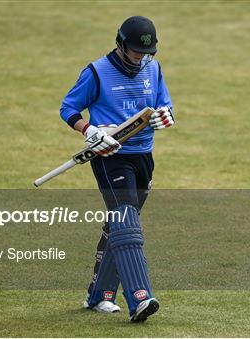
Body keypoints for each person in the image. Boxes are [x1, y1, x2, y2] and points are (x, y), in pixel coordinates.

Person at [59, 16, 174, 322]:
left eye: (146, 52)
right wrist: (89, 131)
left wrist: (166, 116)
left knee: (120, 227)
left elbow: (164, 104)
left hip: (144, 157)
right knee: (127, 220)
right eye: (135, 50)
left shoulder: (153, 68)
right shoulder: (96, 72)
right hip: (111, 157)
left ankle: (99, 295)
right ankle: (140, 297)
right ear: (120, 43)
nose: (140, 56)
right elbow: (68, 108)